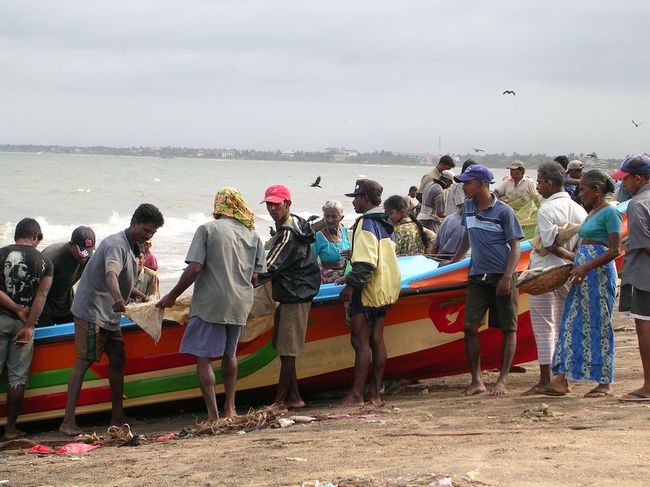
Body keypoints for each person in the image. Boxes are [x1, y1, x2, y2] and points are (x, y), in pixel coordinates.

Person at [157, 188, 265, 419]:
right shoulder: (252, 235)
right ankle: (231, 408)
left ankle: (213, 415)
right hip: (240, 303)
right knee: (230, 354)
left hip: (211, 303)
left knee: (204, 358)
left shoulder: (207, 229)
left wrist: (172, 296)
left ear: (219, 206)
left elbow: (194, 268)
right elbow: (256, 277)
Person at [59, 203, 165, 435]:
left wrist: (141, 296)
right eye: (146, 230)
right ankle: (67, 421)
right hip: (92, 311)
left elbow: (124, 279)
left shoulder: (134, 246)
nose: (149, 236)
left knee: (118, 361)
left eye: (153, 233)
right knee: (84, 362)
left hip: (111, 314)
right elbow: (111, 275)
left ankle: (118, 415)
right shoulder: (116, 244)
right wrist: (118, 298)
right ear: (134, 223)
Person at [545, 170, 621, 398]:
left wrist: (586, 266)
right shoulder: (593, 213)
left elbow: (615, 250)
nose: (580, 194)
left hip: (597, 276)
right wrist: (576, 263)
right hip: (583, 276)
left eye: (583, 190)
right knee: (573, 323)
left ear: (596, 191)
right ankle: (562, 378)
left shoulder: (610, 213)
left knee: (599, 325)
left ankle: (604, 382)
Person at [450, 165, 524, 396]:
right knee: (469, 326)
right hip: (477, 275)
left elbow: (515, 247)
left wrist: (507, 276)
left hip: (501, 276)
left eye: (467, 182)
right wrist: (453, 260)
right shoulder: (469, 207)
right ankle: (477, 380)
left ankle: (502, 379)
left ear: (481, 183)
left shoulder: (503, 211)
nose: (463, 186)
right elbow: (467, 236)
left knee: (508, 328)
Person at [522, 162, 587, 396]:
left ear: (549, 183)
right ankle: (563, 377)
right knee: (564, 326)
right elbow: (582, 243)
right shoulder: (580, 210)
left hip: (546, 274)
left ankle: (544, 379)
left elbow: (549, 245)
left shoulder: (546, 210)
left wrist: (566, 256)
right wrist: (574, 260)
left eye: (539, 181)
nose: (537, 185)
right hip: (570, 273)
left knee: (544, 327)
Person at [256, 185, 320, 410]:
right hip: (293, 292)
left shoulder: (288, 233)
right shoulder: (295, 224)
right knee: (285, 350)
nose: (273, 208)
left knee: (288, 350)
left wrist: (247, 281)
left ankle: (280, 402)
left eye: (277, 204)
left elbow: (270, 266)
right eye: (269, 204)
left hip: (296, 293)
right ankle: (294, 397)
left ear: (288, 204)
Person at [340, 179, 400, 406]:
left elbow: (365, 264)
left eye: (355, 198)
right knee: (377, 339)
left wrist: (350, 287)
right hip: (385, 289)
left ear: (364, 198)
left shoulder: (365, 224)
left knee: (360, 340)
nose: (354, 202)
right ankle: (375, 393)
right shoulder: (386, 223)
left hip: (368, 290)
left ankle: (356, 395)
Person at [0, 218, 53, 440]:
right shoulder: (45, 262)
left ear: (16, 235)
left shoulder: (1, 253)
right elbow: (41, 296)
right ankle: (10, 429)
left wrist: (14, 308)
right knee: (17, 378)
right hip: (24, 326)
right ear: (36, 237)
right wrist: (29, 324)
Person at [613, 155, 650, 401]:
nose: (623, 184)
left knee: (645, 327)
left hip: (643, 276)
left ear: (638, 178)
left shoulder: (638, 204)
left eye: (625, 179)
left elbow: (646, 246)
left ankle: (648, 387)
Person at [38, 226, 96, 326]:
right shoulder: (53, 257)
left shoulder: (88, 258)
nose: (84, 256)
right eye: (81, 252)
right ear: (71, 244)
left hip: (67, 304)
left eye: (88, 252)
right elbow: (36, 289)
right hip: (45, 308)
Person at [311, 200, 351, 284]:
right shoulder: (318, 237)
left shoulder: (344, 231)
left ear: (341, 217)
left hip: (347, 277)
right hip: (328, 282)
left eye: (334, 217)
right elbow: (311, 262)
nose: (330, 220)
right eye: (327, 216)